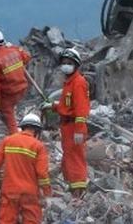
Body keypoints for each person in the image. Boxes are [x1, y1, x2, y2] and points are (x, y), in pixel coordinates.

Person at [0, 113, 51, 224]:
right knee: (31, 220)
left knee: (6, 220)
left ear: (23, 127)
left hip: (10, 189)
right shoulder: (38, 146)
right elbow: (42, 173)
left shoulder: (8, 141)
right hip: (30, 192)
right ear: (36, 131)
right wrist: (46, 193)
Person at [42, 48, 90, 198]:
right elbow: (67, 106)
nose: (66, 65)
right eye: (64, 63)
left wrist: (79, 130)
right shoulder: (69, 83)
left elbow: (81, 109)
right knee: (69, 157)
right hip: (67, 126)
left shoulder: (78, 83)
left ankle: (78, 193)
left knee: (75, 159)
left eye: (69, 63)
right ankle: (73, 188)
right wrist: (53, 106)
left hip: (74, 126)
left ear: (76, 64)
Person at [0, 28, 32, 134]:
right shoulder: (14, 51)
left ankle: (15, 138)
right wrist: (14, 47)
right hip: (22, 89)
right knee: (10, 111)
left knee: (8, 115)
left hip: (9, 94)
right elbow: (27, 57)